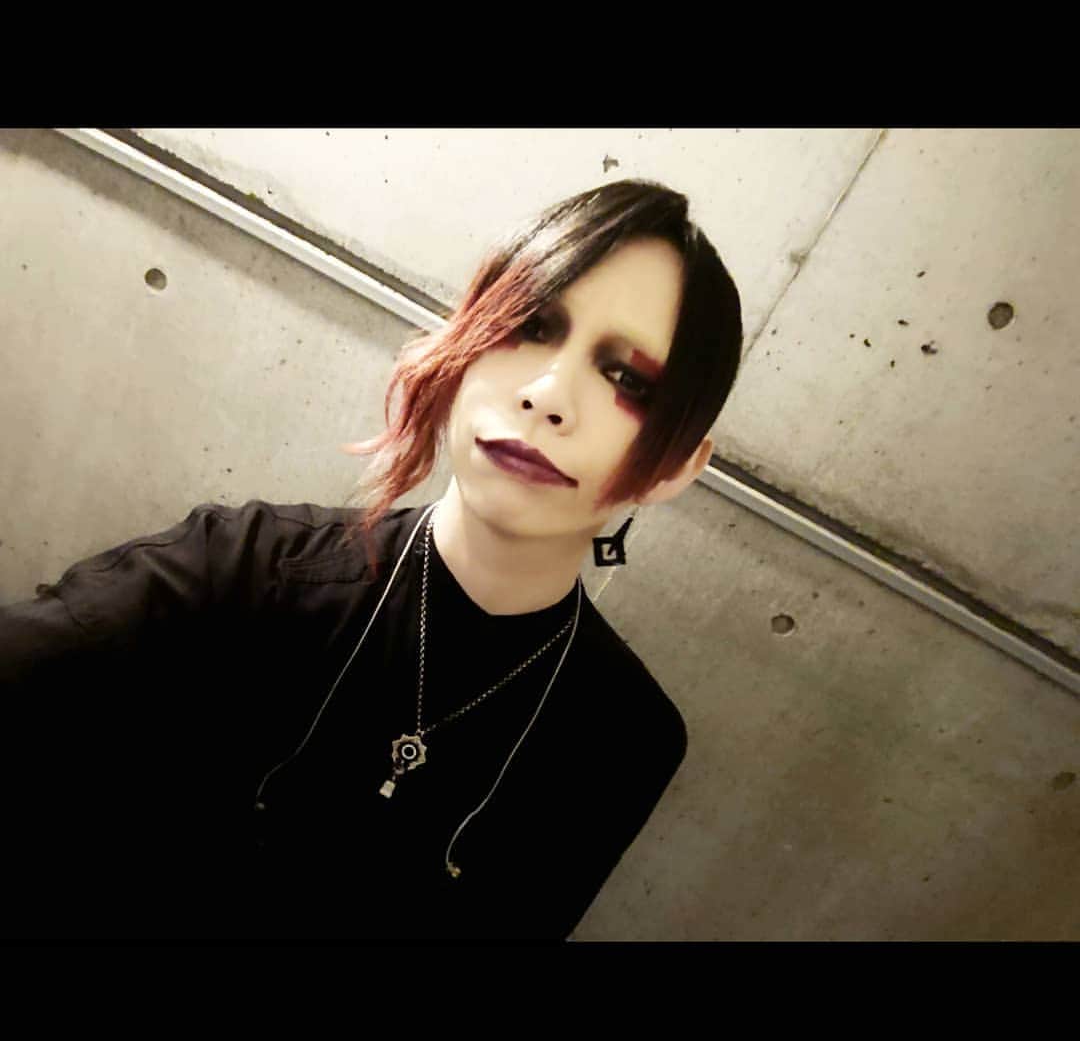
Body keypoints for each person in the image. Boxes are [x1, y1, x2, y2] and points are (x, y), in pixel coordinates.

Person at [0, 178, 742, 941]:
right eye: (530, 325)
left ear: (677, 467)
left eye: (627, 379)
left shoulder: (624, 740)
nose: (548, 395)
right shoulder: (245, 567)